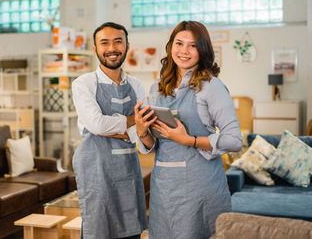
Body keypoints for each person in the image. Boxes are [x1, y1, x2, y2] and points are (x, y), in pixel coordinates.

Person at [134, 20, 242, 239]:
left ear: (202, 50)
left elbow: (234, 140)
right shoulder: (158, 88)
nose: (184, 51)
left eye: (192, 45)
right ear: (170, 46)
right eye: (179, 43)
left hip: (198, 187)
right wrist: (142, 131)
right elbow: (156, 144)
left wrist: (188, 140)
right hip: (163, 187)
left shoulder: (211, 86)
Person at [72, 22, 148, 239]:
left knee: (132, 231)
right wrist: (134, 121)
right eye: (104, 43)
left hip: (128, 171)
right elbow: (96, 125)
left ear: (127, 45)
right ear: (95, 49)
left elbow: (142, 137)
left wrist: (114, 127)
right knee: (99, 231)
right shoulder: (83, 84)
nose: (112, 48)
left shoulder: (135, 85)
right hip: (96, 172)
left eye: (118, 41)